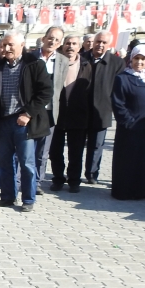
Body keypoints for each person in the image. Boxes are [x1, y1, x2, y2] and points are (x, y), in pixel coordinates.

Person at [0, 31, 53, 212]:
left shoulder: (34, 64)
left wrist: (28, 114)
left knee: (27, 164)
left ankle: (28, 199)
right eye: (3, 45)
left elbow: (46, 92)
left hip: (24, 122)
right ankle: (7, 197)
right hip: (3, 122)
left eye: (10, 45)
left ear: (22, 45)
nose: (6, 48)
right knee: (3, 163)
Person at [110, 45, 145, 200]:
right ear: (131, 59)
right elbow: (118, 104)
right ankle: (128, 192)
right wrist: (130, 122)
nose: (139, 62)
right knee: (131, 161)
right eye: (136, 58)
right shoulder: (122, 78)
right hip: (132, 128)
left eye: (143, 59)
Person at [49, 35, 93, 193]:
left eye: (74, 44)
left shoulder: (86, 65)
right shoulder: (56, 63)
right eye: (68, 43)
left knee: (76, 151)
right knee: (55, 151)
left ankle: (74, 180)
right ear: (63, 45)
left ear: (79, 47)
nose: (71, 46)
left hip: (78, 114)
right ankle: (58, 179)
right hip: (57, 114)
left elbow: (89, 91)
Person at [27, 27, 68, 192]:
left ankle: (37, 182)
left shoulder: (63, 61)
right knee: (26, 148)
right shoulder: (29, 57)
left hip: (50, 112)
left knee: (43, 151)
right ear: (44, 38)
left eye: (57, 40)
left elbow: (59, 88)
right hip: (30, 109)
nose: (52, 42)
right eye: (50, 38)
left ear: (60, 43)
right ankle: (22, 180)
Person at [83, 31, 125, 185]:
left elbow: (119, 89)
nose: (100, 45)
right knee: (76, 145)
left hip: (102, 110)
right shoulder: (81, 58)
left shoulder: (117, 63)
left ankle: (92, 173)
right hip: (80, 109)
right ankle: (72, 174)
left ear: (109, 45)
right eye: (98, 41)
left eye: (104, 42)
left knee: (96, 145)